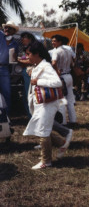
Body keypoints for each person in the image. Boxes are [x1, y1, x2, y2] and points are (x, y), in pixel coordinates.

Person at [22, 41, 68, 169]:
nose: (27, 57)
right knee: (41, 128)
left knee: (43, 131)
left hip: (47, 103)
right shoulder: (38, 65)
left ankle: (46, 161)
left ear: (37, 54)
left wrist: (38, 81)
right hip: (41, 103)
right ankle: (61, 142)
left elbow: (57, 82)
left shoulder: (46, 66)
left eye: (28, 54)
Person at [51, 34, 77, 125]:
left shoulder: (56, 51)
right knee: (70, 99)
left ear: (60, 42)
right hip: (69, 75)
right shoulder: (68, 50)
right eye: (52, 41)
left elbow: (54, 63)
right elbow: (74, 60)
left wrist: (57, 71)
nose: (52, 43)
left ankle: (63, 122)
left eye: (54, 41)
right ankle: (73, 120)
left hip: (61, 76)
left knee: (61, 99)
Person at [0, 21, 19, 114]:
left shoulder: (15, 44)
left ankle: (6, 117)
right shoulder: (0, 35)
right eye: (5, 27)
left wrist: (15, 57)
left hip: (4, 69)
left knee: (7, 93)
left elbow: (14, 60)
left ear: (13, 31)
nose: (6, 29)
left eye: (9, 28)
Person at [18, 32, 36, 118]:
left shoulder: (34, 47)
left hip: (30, 72)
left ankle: (32, 117)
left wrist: (18, 61)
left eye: (23, 38)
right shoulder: (26, 48)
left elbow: (31, 61)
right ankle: (31, 116)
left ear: (30, 38)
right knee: (26, 95)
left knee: (30, 95)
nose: (22, 40)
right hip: (26, 72)